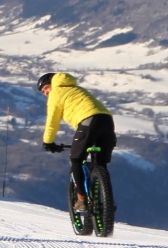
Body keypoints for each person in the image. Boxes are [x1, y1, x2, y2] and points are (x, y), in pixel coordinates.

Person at [38, 72, 117, 213]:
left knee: (76, 158)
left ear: (53, 84)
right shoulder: (78, 89)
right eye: (43, 91)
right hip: (107, 122)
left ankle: (81, 199)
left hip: (88, 121)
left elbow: (52, 121)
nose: (45, 93)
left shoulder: (56, 93)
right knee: (100, 164)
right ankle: (107, 201)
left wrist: (48, 142)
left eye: (45, 88)